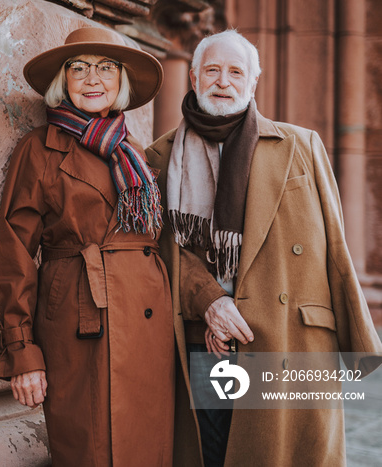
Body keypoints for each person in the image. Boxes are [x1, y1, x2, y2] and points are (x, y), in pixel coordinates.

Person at [146, 29, 382, 467]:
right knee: (217, 454)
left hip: (290, 336)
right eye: (212, 70)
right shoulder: (159, 158)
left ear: (254, 83)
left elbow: (335, 246)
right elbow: (163, 250)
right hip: (209, 337)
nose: (223, 81)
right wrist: (211, 302)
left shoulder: (301, 144)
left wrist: (359, 337)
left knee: (288, 455)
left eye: (236, 72)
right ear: (194, 78)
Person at [0, 27, 173, 466]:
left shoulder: (137, 156)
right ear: (63, 81)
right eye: (80, 68)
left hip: (149, 323)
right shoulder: (39, 149)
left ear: (121, 81)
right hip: (80, 320)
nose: (94, 79)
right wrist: (21, 350)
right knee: (91, 450)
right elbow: (13, 251)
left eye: (106, 68)